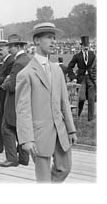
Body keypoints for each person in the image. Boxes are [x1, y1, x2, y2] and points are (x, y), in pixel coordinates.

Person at [16, 22, 77, 183]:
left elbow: (65, 101)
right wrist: (26, 138)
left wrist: (71, 130)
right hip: (39, 134)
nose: (53, 41)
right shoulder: (26, 74)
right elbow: (23, 110)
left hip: (60, 130)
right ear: (37, 41)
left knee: (65, 167)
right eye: (49, 37)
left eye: (54, 38)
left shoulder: (57, 69)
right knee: (43, 178)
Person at [0, 34, 30, 167]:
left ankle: (11, 158)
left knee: (7, 128)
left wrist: (4, 83)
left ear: (17, 47)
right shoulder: (28, 59)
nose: (9, 49)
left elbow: (12, 85)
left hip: (14, 100)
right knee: (20, 128)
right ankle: (24, 158)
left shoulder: (18, 62)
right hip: (24, 99)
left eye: (10, 47)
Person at [67, 36, 96, 121]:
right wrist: (73, 78)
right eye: (84, 45)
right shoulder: (77, 56)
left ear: (89, 45)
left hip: (90, 79)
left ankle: (90, 119)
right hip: (81, 79)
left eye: (87, 45)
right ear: (81, 46)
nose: (86, 46)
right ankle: (77, 116)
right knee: (81, 99)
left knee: (91, 99)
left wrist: (95, 76)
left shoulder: (92, 55)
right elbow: (69, 67)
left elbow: (96, 67)